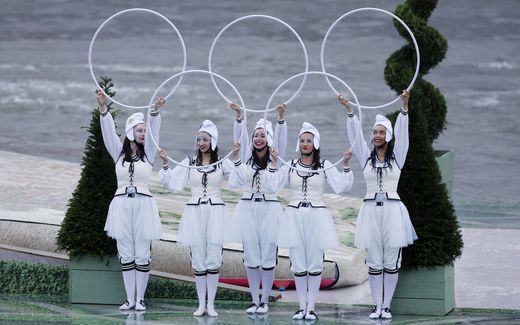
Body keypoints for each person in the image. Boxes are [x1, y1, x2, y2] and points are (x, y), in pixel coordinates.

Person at [338, 90, 417, 319]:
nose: (377, 135)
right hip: (371, 211)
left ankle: (387, 306)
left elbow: (404, 137)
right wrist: (350, 110)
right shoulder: (366, 158)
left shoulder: (397, 157)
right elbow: (355, 136)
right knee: (374, 260)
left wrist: (404, 108)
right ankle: (376, 306)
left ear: (388, 136)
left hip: (393, 211)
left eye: (382, 132)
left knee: (391, 259)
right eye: (375, 132)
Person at [265, 122, 353, 321]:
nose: (305, 144)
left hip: (316, 217)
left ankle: (311, 308)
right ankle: (301, 307)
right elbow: (272, 186)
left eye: (309, 140)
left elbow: (341, 187)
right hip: (295, 216)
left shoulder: (324, 165)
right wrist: (273, 162)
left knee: (314, 264)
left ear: (316, 143)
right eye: (302, 140)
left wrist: (346, 165)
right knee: (298, 263)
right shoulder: (290, 165)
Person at [159, 120, 241, 317]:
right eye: (199, 139)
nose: (201, 143)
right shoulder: (189, 162)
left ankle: (210, 304)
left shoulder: (223, 162)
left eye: (205, 139)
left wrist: (237, 157)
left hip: (215, 213)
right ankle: (200, 304)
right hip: (195, 212)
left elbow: (237, 182)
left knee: (213, 256)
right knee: (198, 258)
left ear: (213, 141)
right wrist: (164, 164)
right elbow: (173, 184)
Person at [96, 91, 165, 311]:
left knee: (142, 252)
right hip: (121, 204)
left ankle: (140, 299)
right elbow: (108, 134)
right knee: (125, 251)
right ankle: (129, 299)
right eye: (139, 130)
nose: (144, 133)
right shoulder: (119, 153)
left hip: (144, 205)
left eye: (145, 130)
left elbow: (155, 129)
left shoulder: (149, 153)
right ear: (130, 132)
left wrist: (154, 112)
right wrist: (103, 109)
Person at [228, 102, 287, 314]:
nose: (258, 139)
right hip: (248, 209)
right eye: (256, 135)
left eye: (263, 135)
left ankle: (265, 300)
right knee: (252, 256)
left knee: (268, 256)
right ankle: (254, 300)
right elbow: (240, 138)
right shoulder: (246, 159)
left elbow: (281, 138)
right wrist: (239, 116)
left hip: (270, 210)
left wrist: (281, 118)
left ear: (269, 139)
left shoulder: (276, 161)